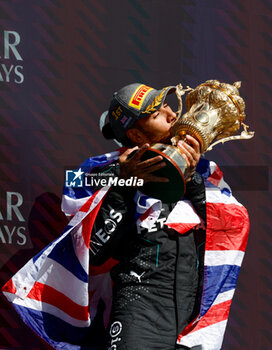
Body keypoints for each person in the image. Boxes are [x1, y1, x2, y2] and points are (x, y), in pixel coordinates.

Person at [89, 83, 206, 350]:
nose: (172, 114)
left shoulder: (203, 173)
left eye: (166, 105)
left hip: (191, 326)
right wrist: (124, 184)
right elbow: (94, 250)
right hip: (139, 315)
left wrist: (193, 181)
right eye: (157, 114)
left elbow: (224, 237)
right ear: (136, 135)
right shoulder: (107, 174)